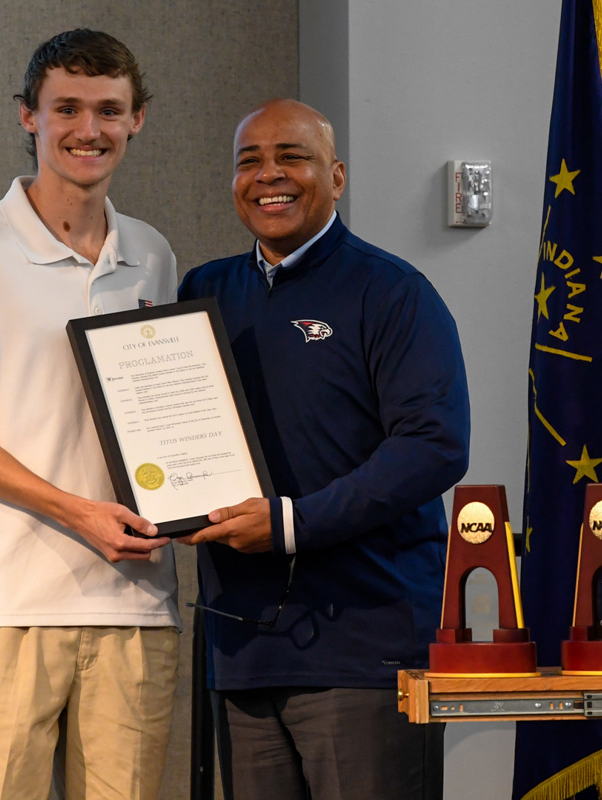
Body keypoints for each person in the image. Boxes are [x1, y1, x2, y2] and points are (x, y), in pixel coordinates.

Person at [0, 29, 180, 800]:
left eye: (108, 110)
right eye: (67, 109)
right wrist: (77, 512)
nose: (88, 130)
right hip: (2, 602)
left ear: (137, 119)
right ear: (29, 117)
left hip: (137, 603)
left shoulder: (153, 254)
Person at [178, 99, 470, 800]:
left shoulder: (393, 291)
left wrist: (290, 523)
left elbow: (435, 444)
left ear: (336, 177)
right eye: (250, 161)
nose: (268, 175)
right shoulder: (203, 290)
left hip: (364, 649)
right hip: (243, 646)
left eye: (293, 157)